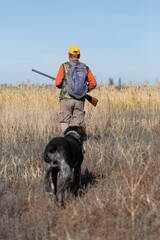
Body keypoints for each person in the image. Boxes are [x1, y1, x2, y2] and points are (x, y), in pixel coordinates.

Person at [55, 46, 97, 133]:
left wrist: (63, 86)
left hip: (66, 99)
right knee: (76, 123)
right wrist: (83, 90)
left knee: (65, 121)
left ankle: (67, 139)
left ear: (68, 55)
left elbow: (58, 83)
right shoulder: (85, 67)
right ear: (79, 56)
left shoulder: (64, 66)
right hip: (80, 99)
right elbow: (93, 83)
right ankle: (74, 140)